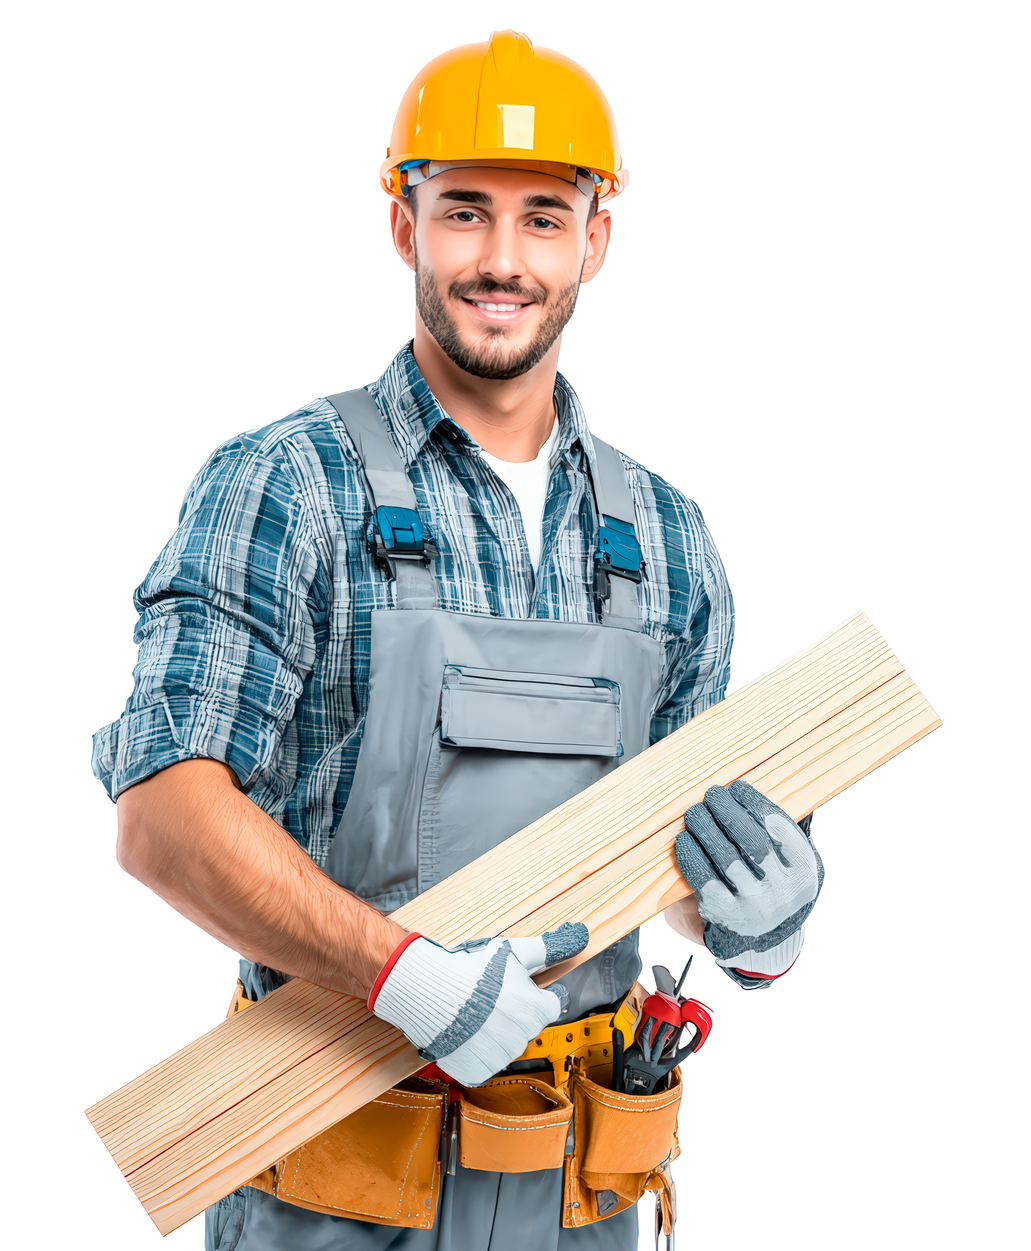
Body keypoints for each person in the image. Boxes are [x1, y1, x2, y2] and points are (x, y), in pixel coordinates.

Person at [90, 29, 823, 1251]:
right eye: (464, 212)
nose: (500, 260)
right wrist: (397, 975)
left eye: (543, 218)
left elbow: (672, 876)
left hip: (590, 1203)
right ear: (404, 228)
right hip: (331, 1198)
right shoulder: (287, 484)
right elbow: (162, 817)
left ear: (594, 240)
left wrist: (756, 930)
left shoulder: (668, 538)